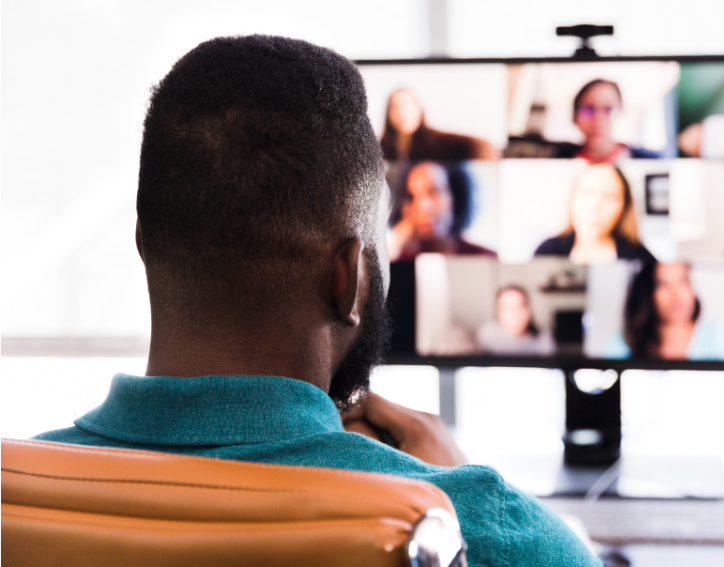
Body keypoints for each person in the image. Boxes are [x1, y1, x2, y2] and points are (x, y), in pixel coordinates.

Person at [32, 36, 599, 567]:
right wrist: (460, 490)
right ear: (348, 278)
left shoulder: (22, 490)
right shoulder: (469, 525)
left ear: (144, 242)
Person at [604, 261, 724, 361]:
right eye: (662, 284)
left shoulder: (718, 335)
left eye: (683, 282)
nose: (676, 295)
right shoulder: (625, 341)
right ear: (647, 293)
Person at [534, 163, 655, 264]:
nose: (595, 206)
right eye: (587, 193)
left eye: (609, 197)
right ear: (572, 200)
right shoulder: (547, 252)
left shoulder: (641, 260)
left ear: (624, 207)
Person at [388, 160, 496, 261]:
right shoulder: (398, 257)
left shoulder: (485, 257)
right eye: (411, 197)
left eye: (434, 192)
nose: (423, 206)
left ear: (456, 195)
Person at [381, 88, 499, 162]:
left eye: (406, 106)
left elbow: (484, 146)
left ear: (419, 110)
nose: (402, 113)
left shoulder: (435, 140)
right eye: (395, 107)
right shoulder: (381, 147)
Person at [562, 78, 661, 164]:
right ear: (574, 116)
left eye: (608, 110)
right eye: (589, 109)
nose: (598, 119)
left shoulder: (649, 161)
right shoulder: (558, 158)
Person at [476, 285, 556, 356]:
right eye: (509, 308)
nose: (516, 313)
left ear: (529, 310)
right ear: (498, 312)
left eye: (521, 306)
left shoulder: (543, 337)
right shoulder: (487, 334)